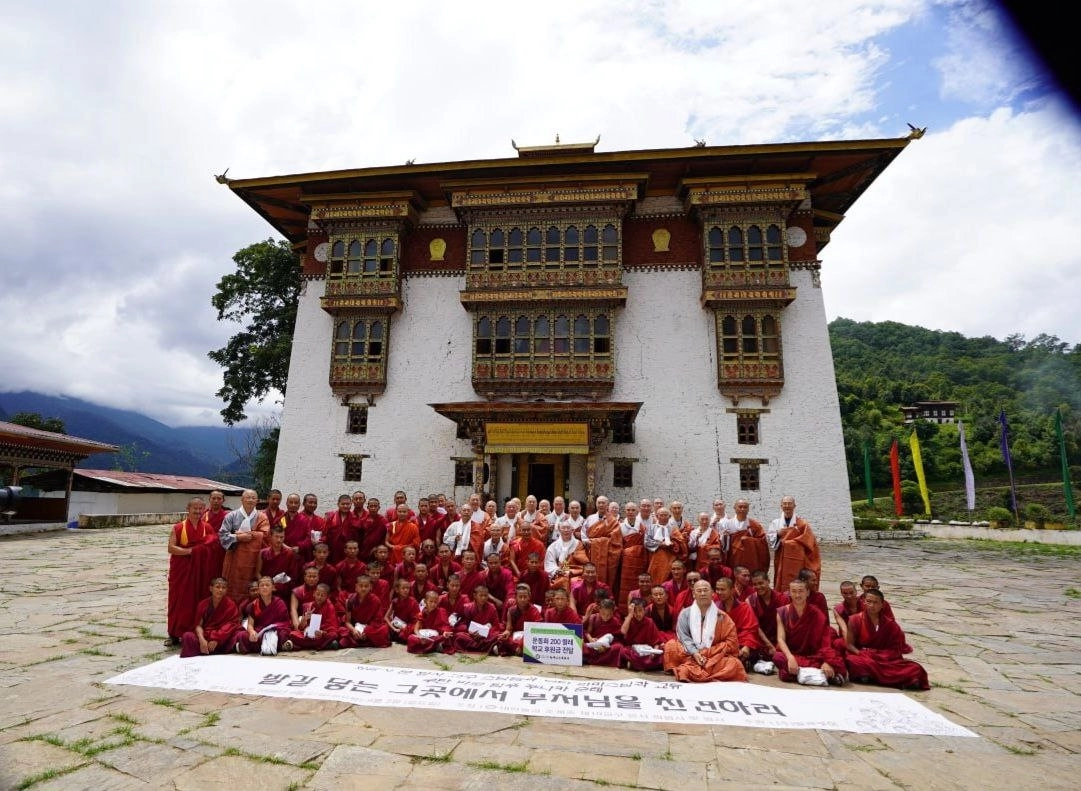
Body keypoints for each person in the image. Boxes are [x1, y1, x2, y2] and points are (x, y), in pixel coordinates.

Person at [662, 580, 747, 682]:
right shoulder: (685, 613)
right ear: (694, 594)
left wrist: (706, 653)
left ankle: (691, 669)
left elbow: (731, 641)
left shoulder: (721, 616)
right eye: (699, 591)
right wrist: (695, 653)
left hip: (714, 655)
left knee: (734, 664)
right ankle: (700, 668)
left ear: (712, 594)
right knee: (671, 646)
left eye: (705, 590)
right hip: (690, 653)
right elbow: (684, 636)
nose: (702, 593)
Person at [844, 589, 929, 690]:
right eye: (868, 601)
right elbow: (849, 645)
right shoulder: (854, 619)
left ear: (882, 604)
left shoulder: (890, 624)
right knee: (853, 661)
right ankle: (894, 679)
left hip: (885, 659)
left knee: (916, 668)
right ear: (864, 602)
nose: (871, 605)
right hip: (864, 656)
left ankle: (872, 677)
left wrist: (881, 655)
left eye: (875, 602)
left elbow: (896, 649)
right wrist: (861, 653)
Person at [167, 497, 219, 646]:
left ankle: (195, 632)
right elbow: (171, 548)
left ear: (204, 510)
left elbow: (212, 548)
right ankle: (174, 633)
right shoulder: (179, 527)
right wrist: (191, 551)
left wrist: (200, 551)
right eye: (194, 508)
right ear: (188, 509)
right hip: (182, 572)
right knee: (178, 601)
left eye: (200, 509)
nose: (197, 511)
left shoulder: (207, 528)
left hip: (201, 572)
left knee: (198, 602)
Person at [774, 578, 846, 685]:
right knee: (778, 657)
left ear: (807, 592)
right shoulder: (782, 612)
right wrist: (790, 657)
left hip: (815, 654)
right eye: (794, 591)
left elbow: (825, 640)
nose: (797, 595)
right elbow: (780, 639)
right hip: (793, 653)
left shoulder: (816, 613)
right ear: (789, 593)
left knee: (836, 654)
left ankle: (801, 673)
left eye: (801, 591)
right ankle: (822, 674)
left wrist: (827, 661)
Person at [219, 489, 271, 604]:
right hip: (234, 557)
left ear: (257, 501)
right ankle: (231, 611)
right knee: (232, 584)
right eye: (248, 497)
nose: (250, 500)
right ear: (242, 499)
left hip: (253, 559)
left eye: (253, 497)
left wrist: (250, 534)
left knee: (250, 587)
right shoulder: (231, 515)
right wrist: (238, 538)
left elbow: (266, 536)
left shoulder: (262, 517)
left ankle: (248, 614)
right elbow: (222, 536)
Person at [768, 496, 820, 593]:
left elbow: (809, 540)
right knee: (781, 578)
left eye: (789, 503)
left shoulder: (802, 524)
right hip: (781, 558)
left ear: (794, 505)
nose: (787, 506)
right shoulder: (775, 522)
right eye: (785, 503)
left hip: (797, 559)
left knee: (797, 578)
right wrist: (778, 534)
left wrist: (790, 543)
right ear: (781, 506)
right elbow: (771, 541)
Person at [179, 578, 240, 658]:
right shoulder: (203, 604)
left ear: (226, 590)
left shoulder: (231, 605)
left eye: (223, 587)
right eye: (217, 587)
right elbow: (198, 625)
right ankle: (205, 648)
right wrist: (202, 640)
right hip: (207, 635)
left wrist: (216, 639)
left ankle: (208, 650)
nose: (220, 590)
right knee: (187, 636)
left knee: (239, 635)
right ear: (211, 588)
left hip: (223, 637)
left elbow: (231, 625)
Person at [228, 576, 290, 654]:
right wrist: (251, 632)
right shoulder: (253, 605)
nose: (264, 587)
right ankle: (280, 645)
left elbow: (285, 623)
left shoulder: (279, 603)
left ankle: (248, 646)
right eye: (262, 585)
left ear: (273, 588)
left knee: (283, 634)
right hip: (260, 631)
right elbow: (250, 624)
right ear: (259, 589)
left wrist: (272, 628)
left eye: (267, 585)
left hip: (275, 630)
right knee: (242, 635)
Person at [713, 576, 763, 668]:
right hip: (723, 644)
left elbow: (751, 630)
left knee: (749, 652)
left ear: (732, 590)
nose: (719, 592)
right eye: (717, 589)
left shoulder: (744, 607)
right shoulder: (715, 608)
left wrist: (747, 646)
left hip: (741, 643)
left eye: (723, 589)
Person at [283, 583, 341, 651]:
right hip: (310, 634)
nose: (319, 597)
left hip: (322, 635)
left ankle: (298, 645)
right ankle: (326, 645)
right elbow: (301, 628)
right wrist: (304, 619)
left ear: (327, 597)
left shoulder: (330, 607)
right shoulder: (308, 606)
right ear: (314, 594)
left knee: (333, 635)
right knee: (293, 634)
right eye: (318, 594)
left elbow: (332, 628)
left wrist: (322, 632)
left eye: (322, 595)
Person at [746, 569, 789, 658]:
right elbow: (755, 626)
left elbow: (786, 624)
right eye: (755, 584)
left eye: (761, 583)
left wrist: (779, 643)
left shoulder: (782, 598)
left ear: (768, 581)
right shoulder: (750, 600)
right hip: (761, 639)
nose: (758, 587)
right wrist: (768, 644)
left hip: (779, 638)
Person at [584, 500, 623, 598]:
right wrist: (587, 541)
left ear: (607, 505)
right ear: (596, 504)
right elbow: (584, 533)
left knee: (607, 578)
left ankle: (606, 597)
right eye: (599, 503)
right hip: (592, 552)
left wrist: (597, 541)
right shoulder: (590, 518)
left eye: (603, 503)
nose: (601, 505)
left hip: (608, 555)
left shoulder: (613, 520)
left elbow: (616, 539)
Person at [340, 575, 391, 648]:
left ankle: (359, 640)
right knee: (342, 630)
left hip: (370, 628)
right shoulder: (350, 600)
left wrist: (366, 631)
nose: (363, 588)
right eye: (361, 586)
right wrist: (354, 630)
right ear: (356, 587)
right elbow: (347, 621)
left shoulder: (375, 600)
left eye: (366, 586)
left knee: (384, 629)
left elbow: (378, 621)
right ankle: (361, 639)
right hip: (355, 627)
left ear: (370, 587)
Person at [723, 499, 769, 576]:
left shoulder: (754, 524)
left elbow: (762, 541)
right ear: (735, 508)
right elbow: (723, 544)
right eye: (740, 507)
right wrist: (724, 537)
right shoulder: (727, 524)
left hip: (750, 558)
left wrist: (749, 540)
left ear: (748, 509)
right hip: (734, 557)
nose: (742, 509)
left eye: (745, 507)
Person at [620, 597, 665, 671]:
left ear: (644, 610)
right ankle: (646, 665)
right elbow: (623, 631)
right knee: (624, 651)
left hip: (648, 650)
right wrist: (630, 615)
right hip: (634, 650)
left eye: (640, 610)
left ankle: (635, 665)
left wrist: (654, 652)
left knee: (661, 653)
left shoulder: (649, 622)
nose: (638, 614)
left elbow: (657, 642)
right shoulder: (629, 620)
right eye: (635, 611)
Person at [453, 585, 503, 653]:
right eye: (481, 595)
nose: (483, 598)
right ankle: (490, 647)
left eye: (485, 596)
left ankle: (483, 646)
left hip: (486, 635)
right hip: (471, 635)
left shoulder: (492, 607)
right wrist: (471, 632)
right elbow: (462, 625)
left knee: (497, 636)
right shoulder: (468, 607)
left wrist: (483, 631)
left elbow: (496, 626)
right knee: (459, 636)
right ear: (475, 595)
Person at [256, 524, 298, 600]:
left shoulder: (289, 553)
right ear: (271, 537)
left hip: (283, 590)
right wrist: (266, 585)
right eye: (276, 537)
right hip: (266, 590)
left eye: (281, 537)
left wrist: (279, 586)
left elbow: (293, 575)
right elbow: (257, 573)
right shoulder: (263, 553)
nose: (279, 540)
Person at [498, 584, 541, 656]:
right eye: (520, 597)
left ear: (529, 597)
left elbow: (535, 630)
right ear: (516, 598)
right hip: (516, 636)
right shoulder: (511, 610)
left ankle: (514, 650)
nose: (522, 599)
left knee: (533, 641)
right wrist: (506, 633)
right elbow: (508, 629)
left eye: (525, 597)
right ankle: (518, 650)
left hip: (529, 636)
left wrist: (521, 644)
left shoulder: (534, 611)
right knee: (501, 638)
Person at [645, 507, 685, 585]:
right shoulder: (651, 527)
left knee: (667, 579)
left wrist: (672, 544)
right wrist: (659, 544)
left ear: (669, 516)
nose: (663, 517)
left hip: (669, 558)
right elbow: (646, 542)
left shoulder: (673, 528)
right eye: (661, 515)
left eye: (665, 515)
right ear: (657, 516)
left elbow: (681, 542)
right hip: (654, 558)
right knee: (653, 576)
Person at [406, 589, 454, 654]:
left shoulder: (441, 611)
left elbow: (445, 626)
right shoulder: (422, 613)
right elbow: (416, 629)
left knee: (445, 638)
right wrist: (420, 636)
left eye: (435, 602)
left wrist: (444, 633)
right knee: (410, 638)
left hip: (437, 636)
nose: (433, 604)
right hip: (425, 636)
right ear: (425, 601)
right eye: (431, 601)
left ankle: (433, 645)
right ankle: (434, 645)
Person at [544, 519, 583, 590]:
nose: (566, 530)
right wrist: (557, 570)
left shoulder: (578, 544)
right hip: (558, 574)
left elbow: (583, 562)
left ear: (572, 530)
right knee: (561, 581)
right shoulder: (553, 546)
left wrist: (570, 571)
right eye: (563, 528)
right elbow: (549, 562)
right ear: (559, 530)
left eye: (568, 528)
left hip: (574, 574)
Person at [582, 599, 623, 666]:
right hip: (593, 643)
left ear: (613, 612)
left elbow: (617, 637)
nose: (606, 617)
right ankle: (592, 659)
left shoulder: (615, 622)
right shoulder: (594, 617)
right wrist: (590, 638)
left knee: (618, 647)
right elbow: (585, 631)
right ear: (599, 610)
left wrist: (606, 646)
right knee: (581, 644)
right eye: (603, 614)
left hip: (606, 646)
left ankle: (588, 660)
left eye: (609, 614)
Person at [324, 494, 359, 564]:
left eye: (347, 504)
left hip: (350, 551)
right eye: (343, 504)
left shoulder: (356, 518)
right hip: (333, 551)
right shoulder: (331, 516)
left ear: (351, 504)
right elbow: (325, 533)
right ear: (338, 504)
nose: (345, 506)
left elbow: (359, 537)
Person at [385, 578, 421, 644]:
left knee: (405, 633)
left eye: (407, 588)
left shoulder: (413, 601)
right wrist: (393, 628)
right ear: (397, 590)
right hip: (397, 626)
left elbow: (417, 620)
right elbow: (386, 617)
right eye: (403, 588)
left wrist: (405, 628)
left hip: (409, 626)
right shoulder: (395, 601)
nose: (406, 590)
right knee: (383, 628)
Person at [358, 498, 389, 562]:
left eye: (375, 506)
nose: (373, 508)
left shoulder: (384, 521)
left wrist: (378, 548)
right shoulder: (362, 520)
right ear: (368, 507)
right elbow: (359, 537)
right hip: (364, 551)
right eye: (371, 506)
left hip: (378, 551)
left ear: (379, 507)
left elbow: (386, 537)